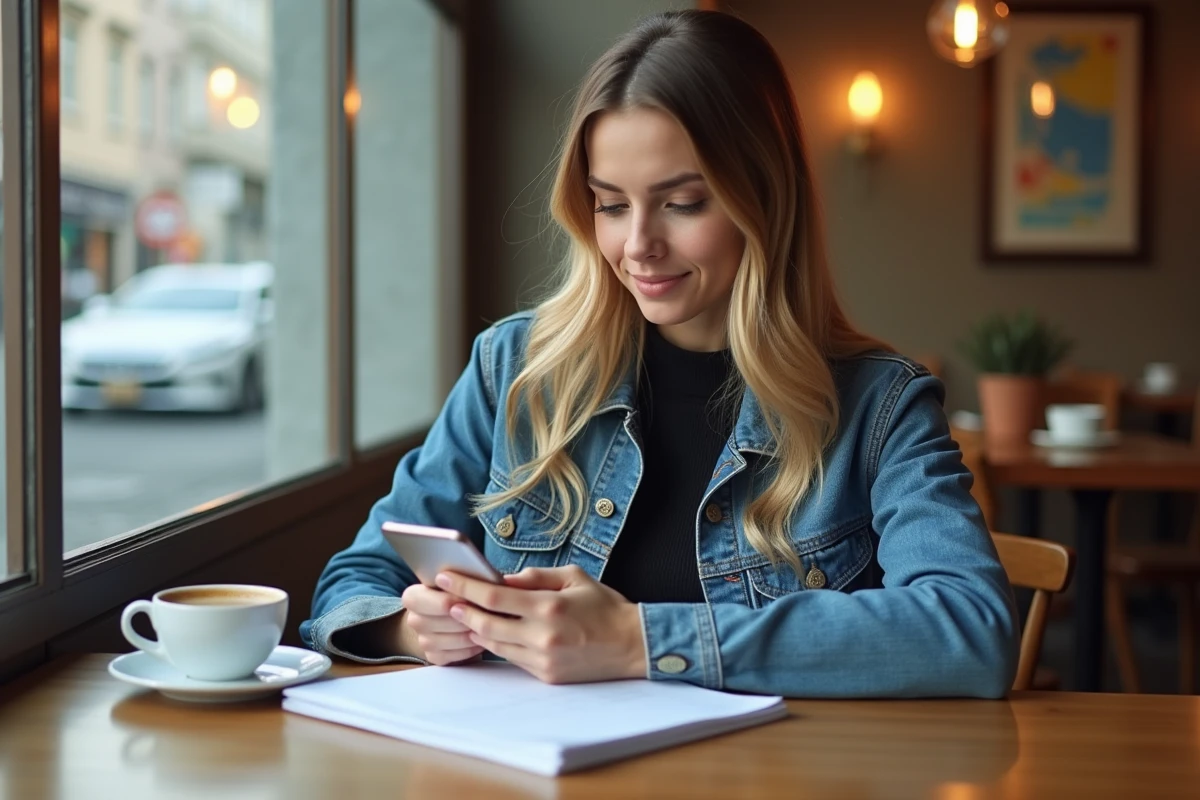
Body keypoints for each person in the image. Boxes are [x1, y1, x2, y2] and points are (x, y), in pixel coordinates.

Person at [301, 9, 1018, 698]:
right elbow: (355, 580)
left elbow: (972, 630)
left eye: (682, 203)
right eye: (611, 204)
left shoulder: (879, 407)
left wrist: (637, 639)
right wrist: (412, 628)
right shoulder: (513, 370)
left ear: (765, 199)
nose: (638, 244)